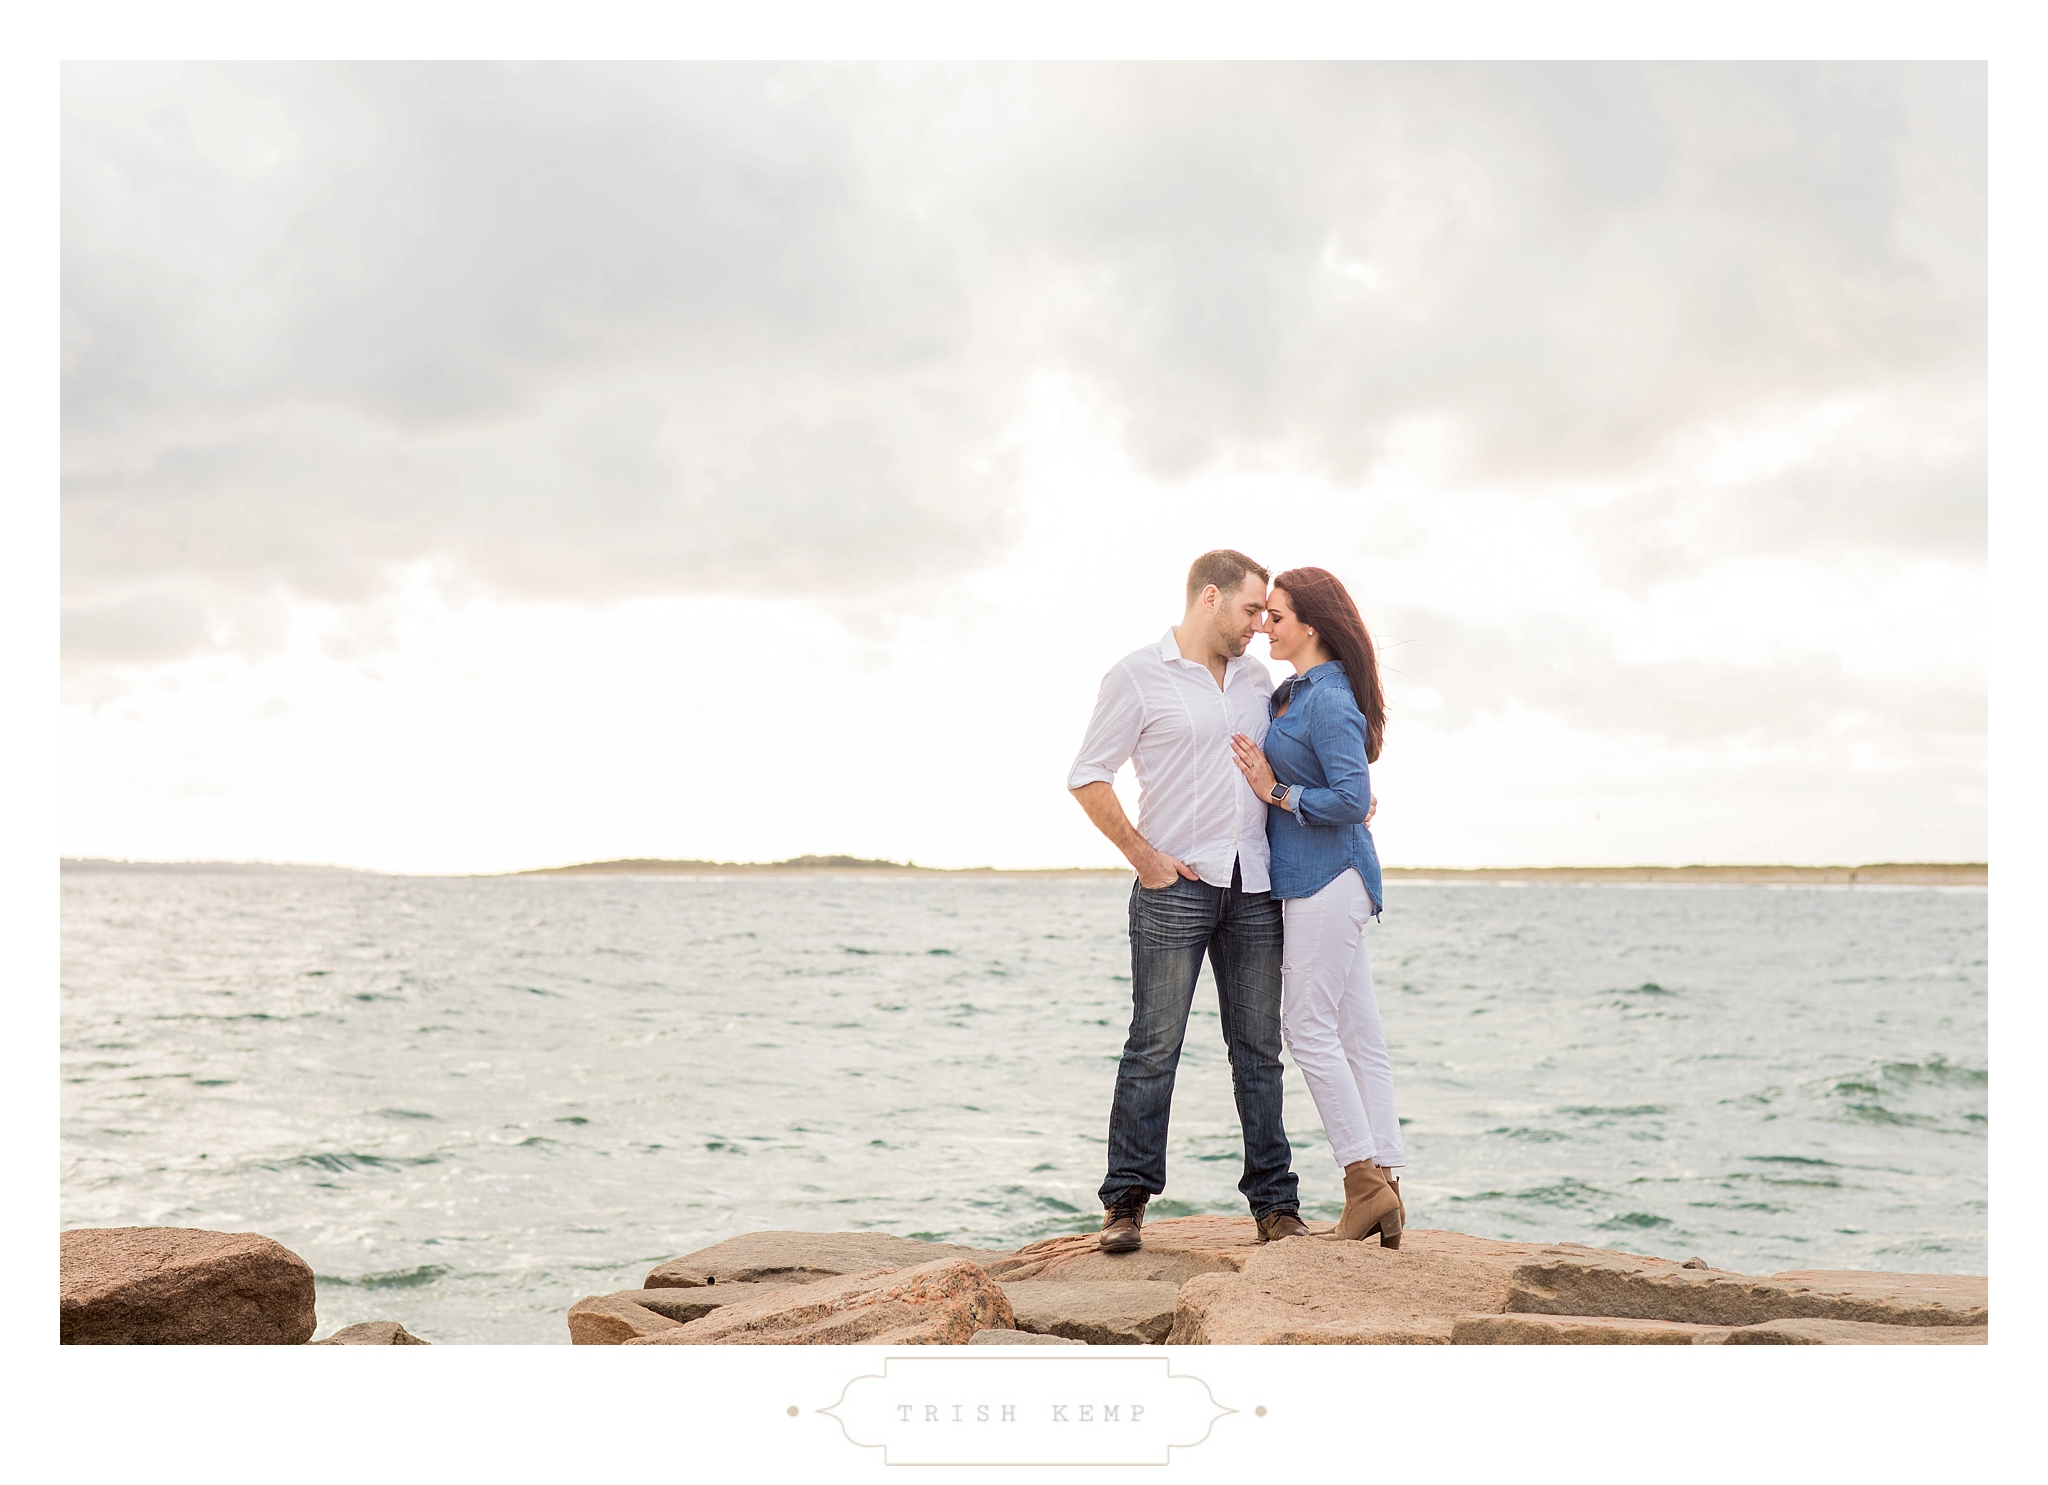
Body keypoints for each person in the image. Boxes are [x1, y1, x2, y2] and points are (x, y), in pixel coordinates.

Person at [1067, 550, 1308, 1252]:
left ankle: (1276, 1206)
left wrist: (1342, 796)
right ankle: (1125, 1203)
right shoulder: (1138, 675)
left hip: (1254, 885)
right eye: (1250, 609)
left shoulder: (1259, 681)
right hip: (1175, 887)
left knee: (1259, 1053)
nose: (1258, 625)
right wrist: (1144, 857)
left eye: (1265, 613)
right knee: (1154, 1047)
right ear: (1210, 597)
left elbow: (1291, 755)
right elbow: (1087, 775)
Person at [1229, 567, 1405, 1247]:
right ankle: (1387, 1181)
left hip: (1325, 879)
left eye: (1275, 617)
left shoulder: (1328, 698)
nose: (1264, 628)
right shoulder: (1294, 692)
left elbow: (1353, 798)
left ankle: (1363, 1181)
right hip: (1325, 878)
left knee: (1305, 1027)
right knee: (1358, 1036)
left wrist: (1277, 792)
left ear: (1312, 626)